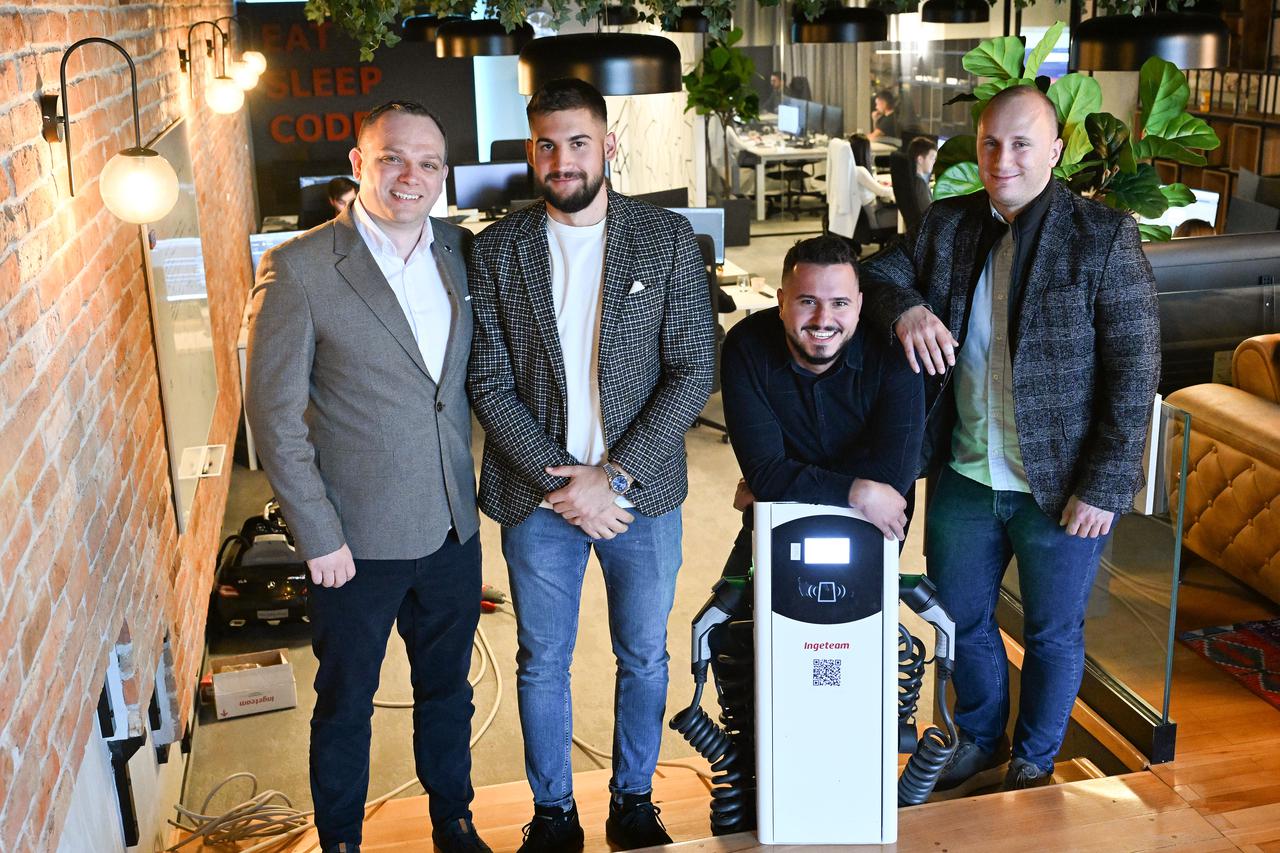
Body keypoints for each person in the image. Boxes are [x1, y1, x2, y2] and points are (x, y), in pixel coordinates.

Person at [860, 85, 1161, 792]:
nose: (1003, 159)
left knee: (1053, 631)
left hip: (1061, 485)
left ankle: (1034, 761)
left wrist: (1105, 485)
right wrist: (907, 311)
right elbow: (875, 273)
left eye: (1022, 143)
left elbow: (1135, 371)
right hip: (966, 473)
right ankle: (981, 738)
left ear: (1055, 151)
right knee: (960, 617)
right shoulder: (947, 225)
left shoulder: (1104, 236)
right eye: (991, 143)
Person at [467, 78, 715, 853]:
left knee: (643, 654)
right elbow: (488, 381)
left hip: (643, 494)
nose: (562, 159)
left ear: (608, 145)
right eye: (547, 144)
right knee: (542, 660)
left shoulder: (665, 238)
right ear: (530, 150)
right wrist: (566, 483)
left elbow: (693, 367)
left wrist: (614, 476)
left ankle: (633, 801)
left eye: (578, 142)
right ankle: (553, 813)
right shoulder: (497, 248)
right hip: (539, 499)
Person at [246, 101, 489, 853]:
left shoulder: (459, 250)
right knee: (346, 701)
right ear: (358, 164)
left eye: (428, 163)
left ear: (443, 174)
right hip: (352, 543)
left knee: (448, 690)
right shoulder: (300, 267)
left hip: (452, 527)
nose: (411, 176)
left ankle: (453, 820)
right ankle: (342, 841)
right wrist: (317, 533)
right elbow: (273, 418)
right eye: (392, 158)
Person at [720, 235, 924, 577]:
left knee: (857, 608)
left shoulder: (895, 352)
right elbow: (765, 471)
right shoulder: (747, 346)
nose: (823, 319)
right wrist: (857, 490)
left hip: (871, 520)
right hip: (786, 514)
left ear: (859, 305)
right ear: (781, 302)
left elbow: (892, 480)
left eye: (840, 303)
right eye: (807, 301)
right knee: (731, 608)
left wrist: (778, 486)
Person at [902, 135, 937, 232]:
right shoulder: (920, 185)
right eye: (932, 158)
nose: (934, 162)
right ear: (920, 159)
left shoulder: (913, 180)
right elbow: (931, 217)